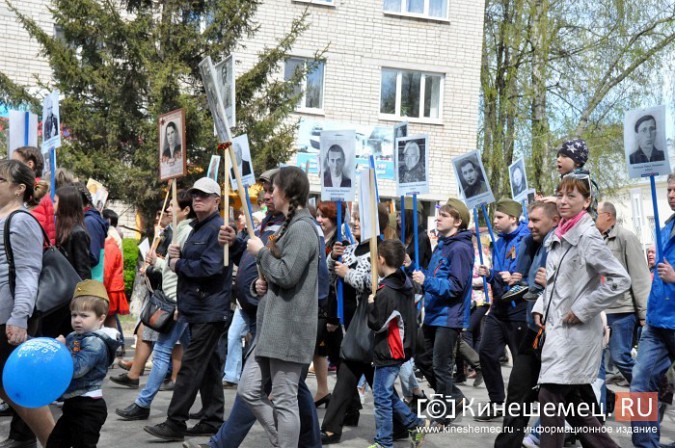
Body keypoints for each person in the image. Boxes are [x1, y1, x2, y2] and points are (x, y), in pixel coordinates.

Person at [532, 175, 630, 448]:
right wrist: (541, 306)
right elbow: (555, 280)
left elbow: (620, 280)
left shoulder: (587, 236)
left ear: (587, 202)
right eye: (560, 194)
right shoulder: (561, 232)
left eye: (571, 196)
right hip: (557, 330)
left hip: (575, 334)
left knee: (550, 397)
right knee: (575, 408)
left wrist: (583, 308)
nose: (563, 201)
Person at [144, 177, 238, 441]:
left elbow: (210, 268)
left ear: (217, 201)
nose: (198, 199)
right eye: (195, 195)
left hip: (210, 307)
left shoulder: (218, 228)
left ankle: (175, 423)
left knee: (191, 366)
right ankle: (212, 418)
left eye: (204, 196)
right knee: (208, 365)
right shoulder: (197, 227)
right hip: (197, 306)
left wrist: (178, 263)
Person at [237, 166, 320, 448]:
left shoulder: (303, 229)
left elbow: (286, 274)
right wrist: (258, 286)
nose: (269, 194)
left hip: (289, 329)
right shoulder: (288, 226)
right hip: (271, 328)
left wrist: (260, 252)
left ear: (287, 192)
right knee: (248, 389)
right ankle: (283, 439)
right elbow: (275, 278)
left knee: (285, 400)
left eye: (273, 188)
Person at [115, 189, 195, 421]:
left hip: (177, 303)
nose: (168, 209)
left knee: (161, 352)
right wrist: (157, 263)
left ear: (186, 210)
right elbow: (172, 268)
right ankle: (211, 407)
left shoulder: (188, 233)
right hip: (172, 300)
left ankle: (143, 403)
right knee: (202, 360)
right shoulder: (177, 231)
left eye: (173, 206)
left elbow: (185, 271)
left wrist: (181, 300)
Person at [494, 201, 559, 447]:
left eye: (534, 220)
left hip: (557, 336)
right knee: (518, 392)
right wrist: (508, 288)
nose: (528, 225)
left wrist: (550, 282)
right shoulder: (533, 244)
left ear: (554, 220)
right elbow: (526, 288)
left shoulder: (561, 245)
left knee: (572, 403)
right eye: (528, 220)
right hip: (532, 332)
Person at [0, 160, 56, 448]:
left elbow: (28, 272)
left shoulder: (21, 220)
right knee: (15, 390)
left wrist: (19, 317)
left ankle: (56, 442)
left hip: (9, 318)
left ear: (19, 188)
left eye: (0, 179)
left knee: (25, 390)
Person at [406, 199, 474, 426]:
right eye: (439, 214)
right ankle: (454, 397)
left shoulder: (461, 248)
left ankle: (444, 411)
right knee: (423, 358)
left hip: (449, 316)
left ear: (457, 221)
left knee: (441, 367)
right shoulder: (443, 245)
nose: (438, 218)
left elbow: (456, 286)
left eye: (444, 215)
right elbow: (432, 276)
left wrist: (427, 281)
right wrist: (410, 265)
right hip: (434, 313)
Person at [46, 280, 122, 448]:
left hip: (89, 408)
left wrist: (61, 349)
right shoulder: (75, 336)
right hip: (73, 403)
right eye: (74, 315)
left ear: (101, 318)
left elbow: (76, 368)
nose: (78, 320)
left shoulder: (95, 343)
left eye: (84, 316)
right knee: (55, 443)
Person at [368, 239, 426, 448]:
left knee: (382, 398)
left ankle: (383, 442)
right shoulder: (407, 284)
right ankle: (415, 423)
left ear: (381, 260)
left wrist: (371, 304)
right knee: (384, 393)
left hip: (389, 349)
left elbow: (376, 324)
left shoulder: (386, 292)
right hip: (402, 347)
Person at [475, 198, 530, 421]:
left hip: (519, 309)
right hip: (498, 308)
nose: (495, 221)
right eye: (494, 217)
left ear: (513, 218)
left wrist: (517, 278)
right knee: (486, 352)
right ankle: (497, 401)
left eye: (499, 217)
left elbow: (531, 274)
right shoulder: (497, 243)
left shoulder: (527, 241)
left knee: (520, 361)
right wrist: (489, 274)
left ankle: (520, 405)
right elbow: (498, 277)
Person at [631, 173, 675, 447]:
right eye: (670, 189)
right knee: (639, 381)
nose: (671, 195)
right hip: (658, 322)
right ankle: (645, 443)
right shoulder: (664, 227)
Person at [594, 201, 650, 384]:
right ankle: (599, 406)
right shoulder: (594, 238)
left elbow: (639, 276)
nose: (593, 218)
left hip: (622, 310)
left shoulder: (626, 237)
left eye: (597, 214)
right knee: (597, 363)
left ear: (608, 216)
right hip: (599, 310)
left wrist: (643, 314)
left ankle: (649, 389)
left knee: (620, 357)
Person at [11, 146, 56, 244]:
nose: (11, 167)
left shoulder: (33, 192)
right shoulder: (36, 189)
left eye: (15, 163)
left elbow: (31, 233)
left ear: (29, 164)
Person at [55, 185, 92, 281]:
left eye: (55, 201)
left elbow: (83, 271)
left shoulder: (78, 233)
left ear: (64, 205)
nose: (52, 204)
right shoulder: (59, 229)